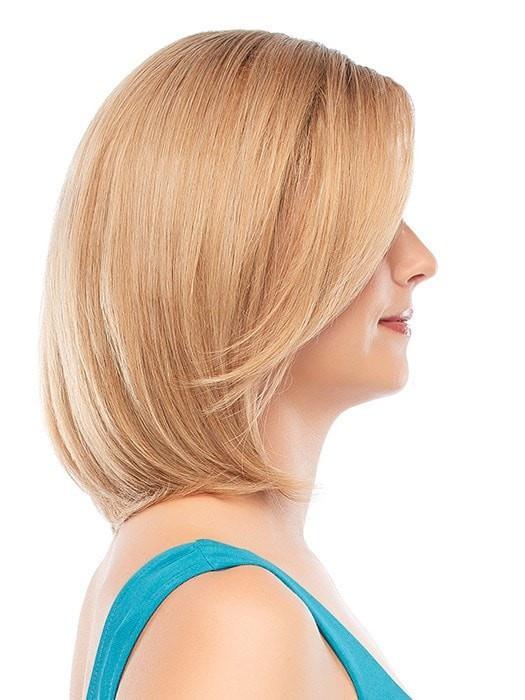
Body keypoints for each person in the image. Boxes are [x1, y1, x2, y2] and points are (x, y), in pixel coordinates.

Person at [39, 29, 437, 699]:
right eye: (368, 225)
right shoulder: (232, 615)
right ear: (241, 257)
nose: (420, 261)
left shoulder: (207, 575)